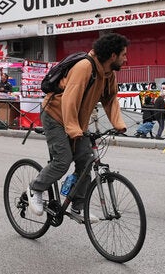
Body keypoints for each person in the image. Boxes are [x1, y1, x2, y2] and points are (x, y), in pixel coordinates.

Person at [27, 32, 129, 222]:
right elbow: (69, 99)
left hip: (76, 122)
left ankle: (77, 207)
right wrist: (73, 129)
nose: (126, 59)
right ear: (113, 55)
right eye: (124, 54)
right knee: (63, 160)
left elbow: (110, 99)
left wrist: (118, 124)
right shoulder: (84, 67)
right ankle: (35, 188)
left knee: (86, 160)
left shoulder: (108, 74)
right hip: (55, 115)